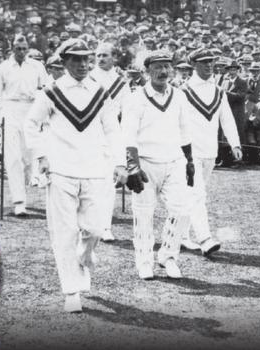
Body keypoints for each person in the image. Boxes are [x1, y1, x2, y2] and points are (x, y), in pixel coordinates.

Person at [24, 39, 125, 312]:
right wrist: (42, 156)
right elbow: (31, 124)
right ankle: (72, 291)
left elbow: (113, 130)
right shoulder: (51, 92)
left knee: (94, 228)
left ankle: (86, 252)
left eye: (85, 59)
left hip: (95, 170)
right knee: (64, 233)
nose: (82, 65)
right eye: (75, 60)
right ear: (64, 62)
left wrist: (120, 162)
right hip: (61, 171)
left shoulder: (101, 92)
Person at [120, 50, 194, 280]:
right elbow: (128, 133)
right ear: (147, 71)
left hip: (173, 161)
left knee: (182, 211)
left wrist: (189, 160)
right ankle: (144, 262)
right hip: (145, 164)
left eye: (167, 67)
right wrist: (132, 166)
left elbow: (184, 130)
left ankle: (168, 256)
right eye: (157, 67)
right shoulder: (135, 98)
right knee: (143, 215)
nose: (163, 72)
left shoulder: (180, 96)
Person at [181, 48, 242, 256]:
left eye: (211, 62)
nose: (209, 66)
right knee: (197, 194)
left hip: (210, 151)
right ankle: (205, 238)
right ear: (194, 65)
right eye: (204, 62)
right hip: (188, 153)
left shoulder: (218, 91)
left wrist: (235, 144)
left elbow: (227, 118)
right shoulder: (183, 90)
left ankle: (181, 236)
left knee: (193, 195)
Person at [0, 35, 49, 216]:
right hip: (10, 110)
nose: (21, 52)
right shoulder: (3, 68)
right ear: (11, 49)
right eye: (18, 49)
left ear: (28, 48)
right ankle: (19, 202)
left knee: (31, 156)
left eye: (24, 49)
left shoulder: (37, 66)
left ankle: (40, 188)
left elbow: (46, 91)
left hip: (32, 110)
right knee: (13, 158)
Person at [90, 42, 131, 242]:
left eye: (105, 55)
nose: (101, 59)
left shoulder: (121, 82)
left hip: (112, 132)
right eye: (98, 55)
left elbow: (128, 110)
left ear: (114, 57)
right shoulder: (88, 77)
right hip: (88, 131)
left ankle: (105, 226)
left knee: (108, 181)